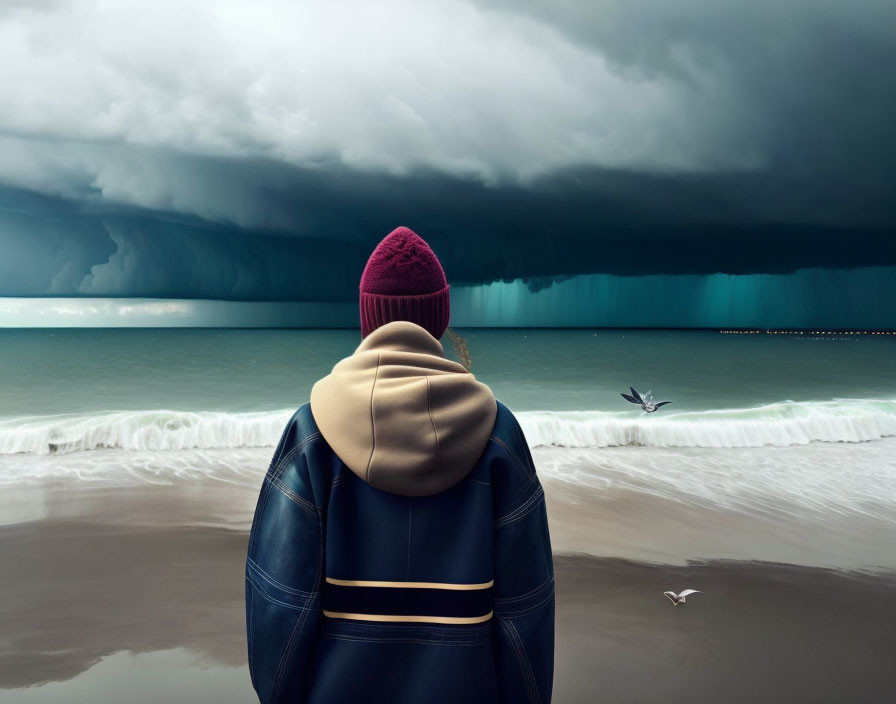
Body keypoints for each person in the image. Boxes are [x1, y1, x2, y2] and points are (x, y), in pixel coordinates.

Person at [245, 226, 555, 703]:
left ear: (368, 319)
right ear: (439, 316)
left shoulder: (312, 434)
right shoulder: (500, 436)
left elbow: (280, 606)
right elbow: (524, 614)